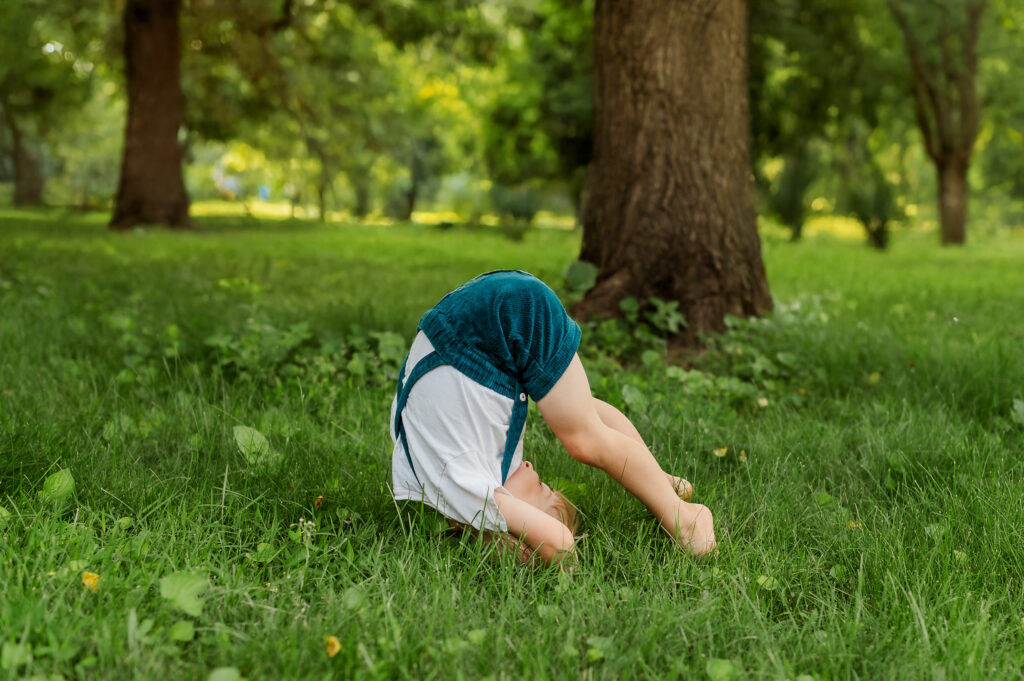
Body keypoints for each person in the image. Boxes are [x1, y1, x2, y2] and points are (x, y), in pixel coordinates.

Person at [390, 270, 716, 566]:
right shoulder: (434, 482)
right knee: (582, 415)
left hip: (503, 319)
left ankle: (685, 519)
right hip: (472, 320)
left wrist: (562, 568)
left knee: (583, 441)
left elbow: (559, 544)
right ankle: (657, 478)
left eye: (541, 490)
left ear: (518, 533)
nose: (531, 467)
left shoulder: (473, 496)